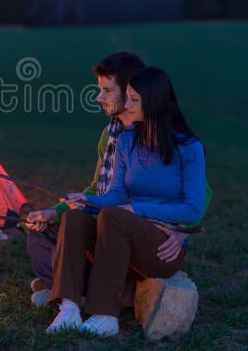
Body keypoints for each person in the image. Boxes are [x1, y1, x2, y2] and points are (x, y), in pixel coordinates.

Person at [45, 67, 206, 337]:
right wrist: (87, 200)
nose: (126, 105)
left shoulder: (189, 148)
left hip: (161, 249)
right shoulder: (126, 140)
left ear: (154, 102)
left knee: (113, 217)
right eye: (127, 97)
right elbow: (117, 195)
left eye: (134, 100)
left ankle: (105, 315)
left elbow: (192, 209)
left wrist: (136, 209)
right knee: (74, 218)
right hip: (124, 239)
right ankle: (69, 308)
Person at [25, 53, 188, 306]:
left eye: (107, 90)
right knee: (42, 232)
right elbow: (97, 188)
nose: (99, 97)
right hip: (105, 223)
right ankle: (78, 290)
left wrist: (181, 230)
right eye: (100, 89)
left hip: (137, 233)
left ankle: (74, 288)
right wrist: (54, 212)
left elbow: (200, 193)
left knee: (107, 227)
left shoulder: (160, 135)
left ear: (131, 90)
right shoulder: (110, 135)